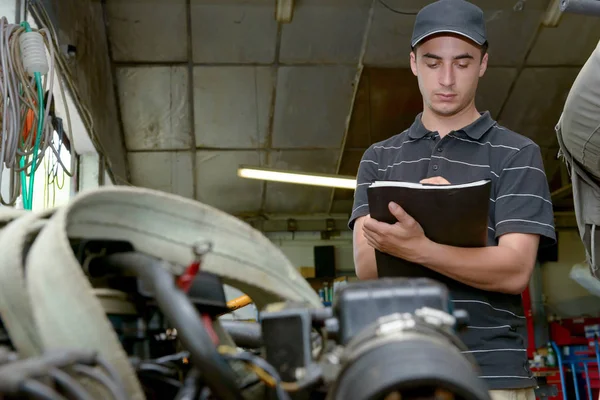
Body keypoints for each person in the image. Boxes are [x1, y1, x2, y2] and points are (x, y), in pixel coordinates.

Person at [348, 1, 556, 399]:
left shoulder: (516, 153)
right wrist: (446, 235)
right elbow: (366, 266)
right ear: (413, 63)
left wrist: (420, 247)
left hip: (493, 377)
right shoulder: (379, 158)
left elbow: (513, 270)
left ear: (482, 64)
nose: (446, 78)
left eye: (462, 63)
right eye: (432, 62)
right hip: (405, 372)